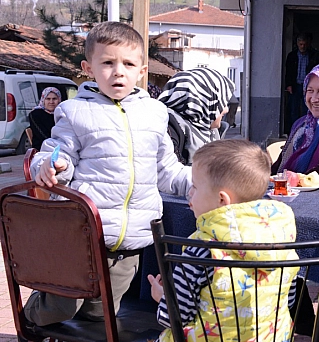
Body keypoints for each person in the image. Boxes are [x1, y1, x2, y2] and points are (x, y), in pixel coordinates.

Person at [26, 21, 191, 327]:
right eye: (108, 62)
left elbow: (167, 170)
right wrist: (50, 166)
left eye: (128, 64)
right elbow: (55, 152)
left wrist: (199, 183)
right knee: (63, 308)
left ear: (141, 71)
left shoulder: (154, 113)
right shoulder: (74, 111)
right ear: (88, 68)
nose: (118, 71)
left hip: (129, 241)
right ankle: (30, 320)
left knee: (100, 317)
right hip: (83, 232)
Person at [148, 139, 298, 342]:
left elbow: (174, 317)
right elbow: (287, 302)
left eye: (195, 187)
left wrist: (162, 297)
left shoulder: (202, 249)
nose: (189, 193)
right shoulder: (283, 243)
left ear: (222, 200)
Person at [158, 67, 235, 165]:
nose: (226, 110)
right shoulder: (169, 130)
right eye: (221, 102)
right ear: (203, 100)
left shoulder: (209, 131)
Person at [285, 33, 316, 131]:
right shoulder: (292, 55)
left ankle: (305, 129)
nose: (303, 46)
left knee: (306, 109)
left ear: (307, 44)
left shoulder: (312, 55)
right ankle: (295, 129)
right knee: (294, 109)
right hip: (295, 85)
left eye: (304, 44)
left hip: (307, 86)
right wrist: (288, 85)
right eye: (301, 44)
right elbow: (288, 71)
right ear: (297, 44)